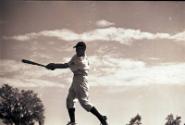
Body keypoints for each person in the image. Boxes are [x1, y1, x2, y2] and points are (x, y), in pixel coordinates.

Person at [46, 41, 108, 125]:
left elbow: (65, 66)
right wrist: (54, 66)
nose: (76, 50)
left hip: (81, 80)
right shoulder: (77, 57)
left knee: (84, 103)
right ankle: (73, 122)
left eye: (78, 49)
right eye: (76, 49)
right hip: (76, 79)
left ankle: (102, 119)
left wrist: (54, 65)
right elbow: (67, 64)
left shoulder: (80, 61)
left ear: (83, 49)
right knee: (70, 100)